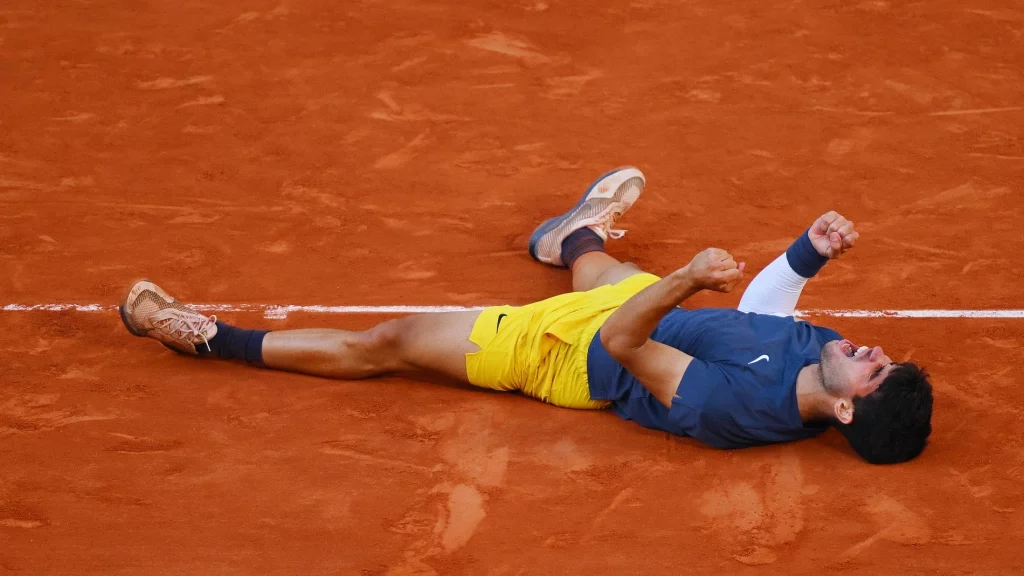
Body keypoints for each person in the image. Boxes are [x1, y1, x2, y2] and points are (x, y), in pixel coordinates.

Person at [120, 167, 933, 464]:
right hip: (635, 305)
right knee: (603, 269)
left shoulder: (727, 410)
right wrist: (807, 253)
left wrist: (685, 277)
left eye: (876, 367)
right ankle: (570, 233)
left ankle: (209, 339)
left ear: (847, 406)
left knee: (392, 342)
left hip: (569, 356)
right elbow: (763, 319)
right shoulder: (821, 353)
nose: (872, 348)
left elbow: (621, 339)